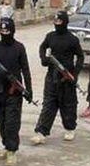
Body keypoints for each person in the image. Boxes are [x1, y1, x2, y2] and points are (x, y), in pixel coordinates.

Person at [30, 11, 84, 145]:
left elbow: (80, 56)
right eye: (55, 22)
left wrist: (75, 74)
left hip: (67, 77)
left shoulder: (72, 39)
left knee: (68, 105)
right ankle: (41, 132)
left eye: (59, 22)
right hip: (52, 75)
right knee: (48, 104)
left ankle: (70, 128)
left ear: (65, 22)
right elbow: (43, 47)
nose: (57, 24)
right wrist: (44, 59)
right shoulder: (50, 36)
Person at [0, 18, 32, 166]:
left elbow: (25, 69)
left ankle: (12, 150)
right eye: (2, 31)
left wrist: (29, 89)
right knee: (1, 121)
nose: (4, 33)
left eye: (7, 31)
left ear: (12, 31)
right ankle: (7, 146)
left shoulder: (19, 48)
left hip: (14, 91)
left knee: (11, 123)